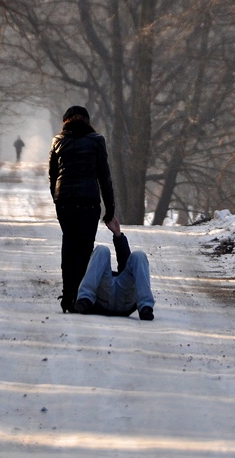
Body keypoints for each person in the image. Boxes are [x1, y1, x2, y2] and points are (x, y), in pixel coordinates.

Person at [48, 105, 118, 313]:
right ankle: (80, 294)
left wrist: (57, 199)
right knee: (85, 247)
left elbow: (53, 176)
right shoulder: (97, 141)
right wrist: (110, 208)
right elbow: (104, 177)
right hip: (89, 201)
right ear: (87, 121)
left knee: (69, 244)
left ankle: (68, 293)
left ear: (66, 120)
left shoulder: (58, 140)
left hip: (66, 201)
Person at [74, 230, 154, 320]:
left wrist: (118, 236)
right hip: (109, 298)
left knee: (139, 255)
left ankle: (145, 307)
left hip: (122, 297)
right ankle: (85, 299)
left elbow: (125, 263)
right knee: (102, 250)